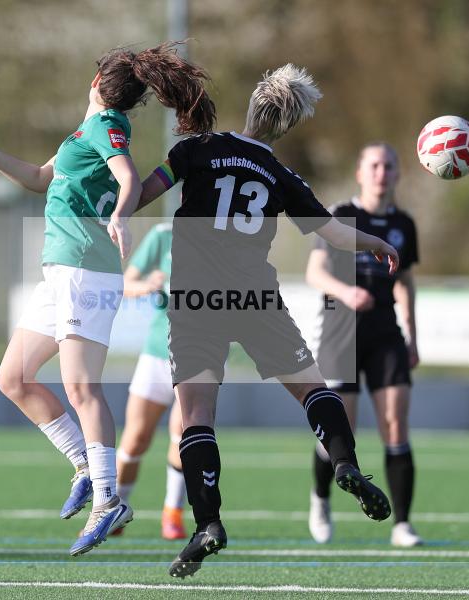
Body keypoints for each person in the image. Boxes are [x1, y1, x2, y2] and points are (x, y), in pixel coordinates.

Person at [0, 42, 215, 556]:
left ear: (97, 82)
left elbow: (128, 177)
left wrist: (119, 214)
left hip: (86, 272)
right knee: (13, 377)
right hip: (62, 274)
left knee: (80, 387)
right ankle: (84, 467)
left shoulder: (105, 125)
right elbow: (39, 178)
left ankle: (109, 497)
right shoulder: (84, 130)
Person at [137, 64, 399, 578]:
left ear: (253, 106)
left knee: (196, 415)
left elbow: (144, 192)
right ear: (286, 127)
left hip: (196, 299)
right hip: (255, 295)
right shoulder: (281, 176)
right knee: (312, 390)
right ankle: (344, 464)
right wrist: (377, 242)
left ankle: (208, 523)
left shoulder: (198, 148)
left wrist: (110, 194)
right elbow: (334, 234)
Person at [305, 142, 422, 547]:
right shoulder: (342, 216)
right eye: (373, 165)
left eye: (389, 165)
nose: (381, 172)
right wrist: (345, 292)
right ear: (360, 172)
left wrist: (412, 334)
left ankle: (403, 524)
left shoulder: (404, 224)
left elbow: (404, 282)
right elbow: (315, 272)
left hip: (386, 333)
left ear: (398, 173)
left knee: (396, 422)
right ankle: (320, 500)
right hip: (341, 332)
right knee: (342, 428)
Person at [112, 221, 188, 540]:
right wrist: (148, 285)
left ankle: (173, 513)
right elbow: (126, 284)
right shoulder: (162, 236)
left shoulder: (225, 238)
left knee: (183, 435)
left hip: (201, 355)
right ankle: (115, 509)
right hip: (158, 351)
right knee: (135, 438)